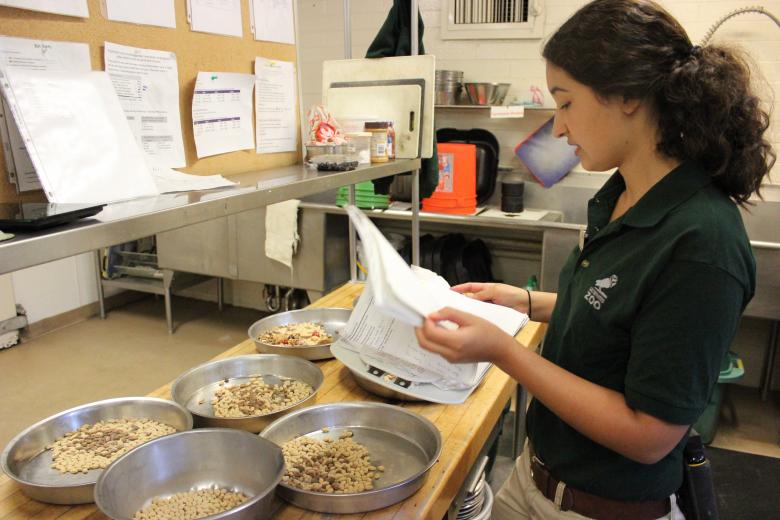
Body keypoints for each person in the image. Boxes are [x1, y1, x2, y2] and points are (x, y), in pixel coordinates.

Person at [414, 1, 775, 518]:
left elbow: (648, 435)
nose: (558, 129)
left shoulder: (702, 244)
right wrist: (527, 302)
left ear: (626, 95)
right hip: (534, 476)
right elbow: (616, 313)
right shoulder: (623, 196)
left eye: (564, 103)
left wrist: (504, 351)